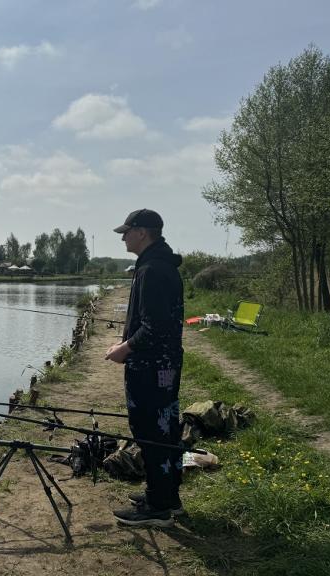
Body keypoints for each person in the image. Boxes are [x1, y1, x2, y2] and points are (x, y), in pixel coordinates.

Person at [105, 209, 184, 527]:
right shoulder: (161, 265)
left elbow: (155, 327)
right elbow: (154, 324)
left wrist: (124, 348)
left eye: (126, 231)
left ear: (142, 233)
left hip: (150, 368)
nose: (123, 237)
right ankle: (166, 496)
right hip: (164, 365)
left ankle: (158, 507)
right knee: (164, 429)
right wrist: (125, 340)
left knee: (150, 432)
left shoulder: (151, 270)